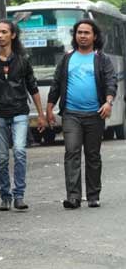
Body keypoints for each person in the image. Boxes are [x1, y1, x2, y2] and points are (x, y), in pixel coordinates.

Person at [47, 19, 117, 209]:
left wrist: (108, 102)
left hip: (95, 115)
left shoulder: (101, 58)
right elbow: (56, 83)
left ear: (94, 36)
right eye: (79, 32)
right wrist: (49, 108)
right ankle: (73, 197)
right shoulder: (67, 58)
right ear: (75, 35)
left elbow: (111, 81)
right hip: (71, 114)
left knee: (92, 155)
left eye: (87, 33)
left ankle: (93, 195)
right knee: (71, 152)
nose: (83, 36)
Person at [0, 19, 47, 211]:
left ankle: (19, 195)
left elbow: (33, 88)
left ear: (13, 35)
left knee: (19, 151)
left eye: (4, 32)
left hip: (19, 113)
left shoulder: (23, 61)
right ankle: (5, 196)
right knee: (1, 158)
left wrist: (41, 115)